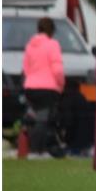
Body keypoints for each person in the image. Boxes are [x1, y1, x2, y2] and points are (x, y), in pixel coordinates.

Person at [21, 16, 67, 159]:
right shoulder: (53, 45)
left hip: (30, 87)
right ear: (51, 30)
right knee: (43, 120)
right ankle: (38, 150)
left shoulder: (29, 46)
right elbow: (57, 70)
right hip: (47, 88)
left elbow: (26, 69)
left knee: (35, 119)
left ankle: (33, 148)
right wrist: (61, 84)